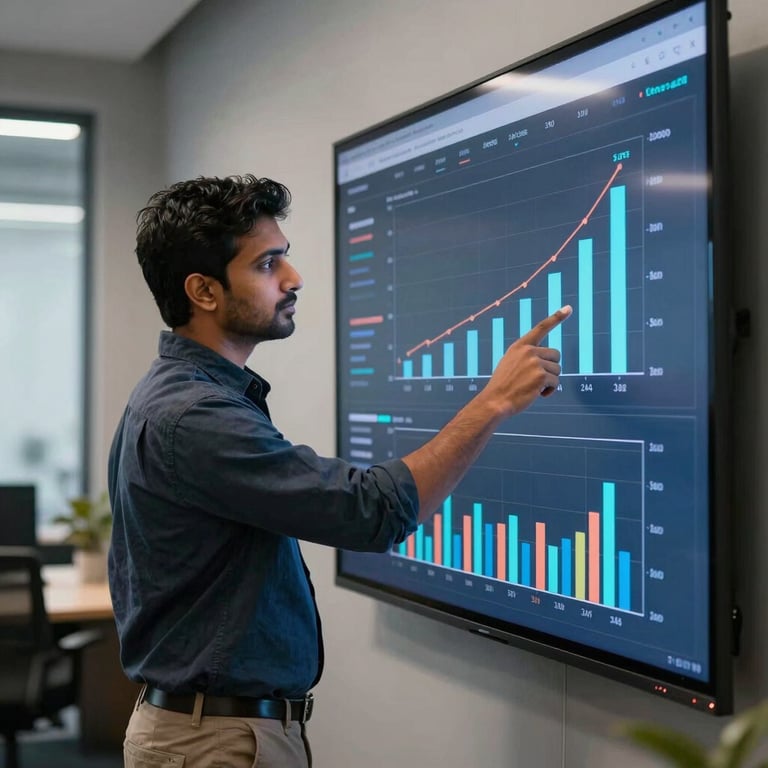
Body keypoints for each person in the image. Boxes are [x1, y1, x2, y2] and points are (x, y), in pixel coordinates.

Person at [108, 174, 571, 768]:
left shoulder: (182, 395)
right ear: (203, 291)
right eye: (268, 263)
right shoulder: (195, 415)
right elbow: (370, 512)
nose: (293, 278)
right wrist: (493, 402)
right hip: (216, 743)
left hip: (212, 731)